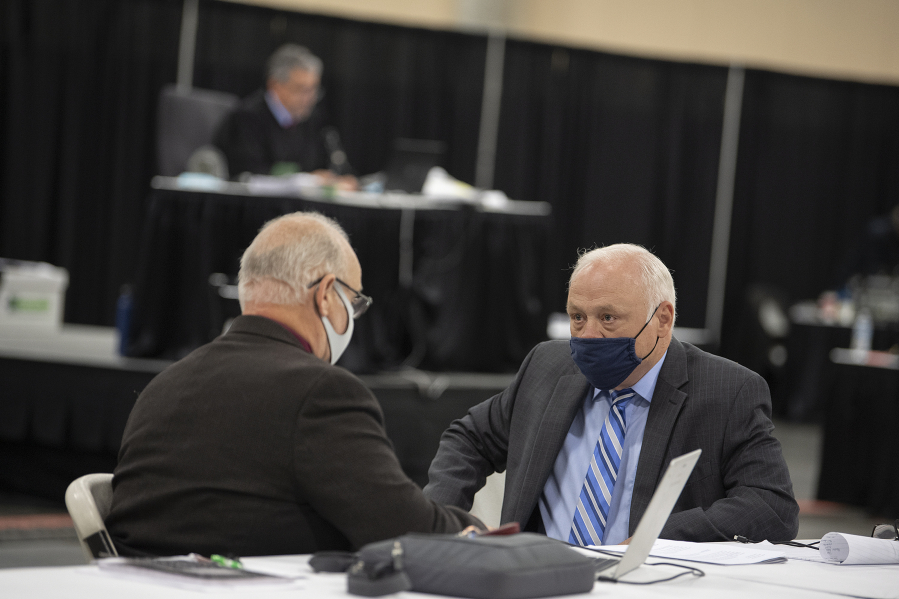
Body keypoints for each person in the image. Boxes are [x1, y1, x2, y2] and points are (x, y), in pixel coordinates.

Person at [106, 211, 481, 557]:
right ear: (325, 293)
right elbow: (407, 532)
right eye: (355, 302)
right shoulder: (322, 392)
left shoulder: (164, 384)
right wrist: (477, 532)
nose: (355, 316)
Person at [424, 244, 799, 545]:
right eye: (577, 317)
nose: (587, 335)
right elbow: (469, 438)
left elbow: (770, 506)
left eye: (607, 318)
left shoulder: (728, 391)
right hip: (537, 579)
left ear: (662, 320)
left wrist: (652, 539)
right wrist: (440, 521)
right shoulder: (547, 366)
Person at [213, 44, 355, 188]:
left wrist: (337, 179)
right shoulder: (245, 119)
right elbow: (248, 175)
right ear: (275, 85)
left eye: (313, 90)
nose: (310, 98)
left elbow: (329, 167)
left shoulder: (315, 120)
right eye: (301, 90)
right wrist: (309, 179)